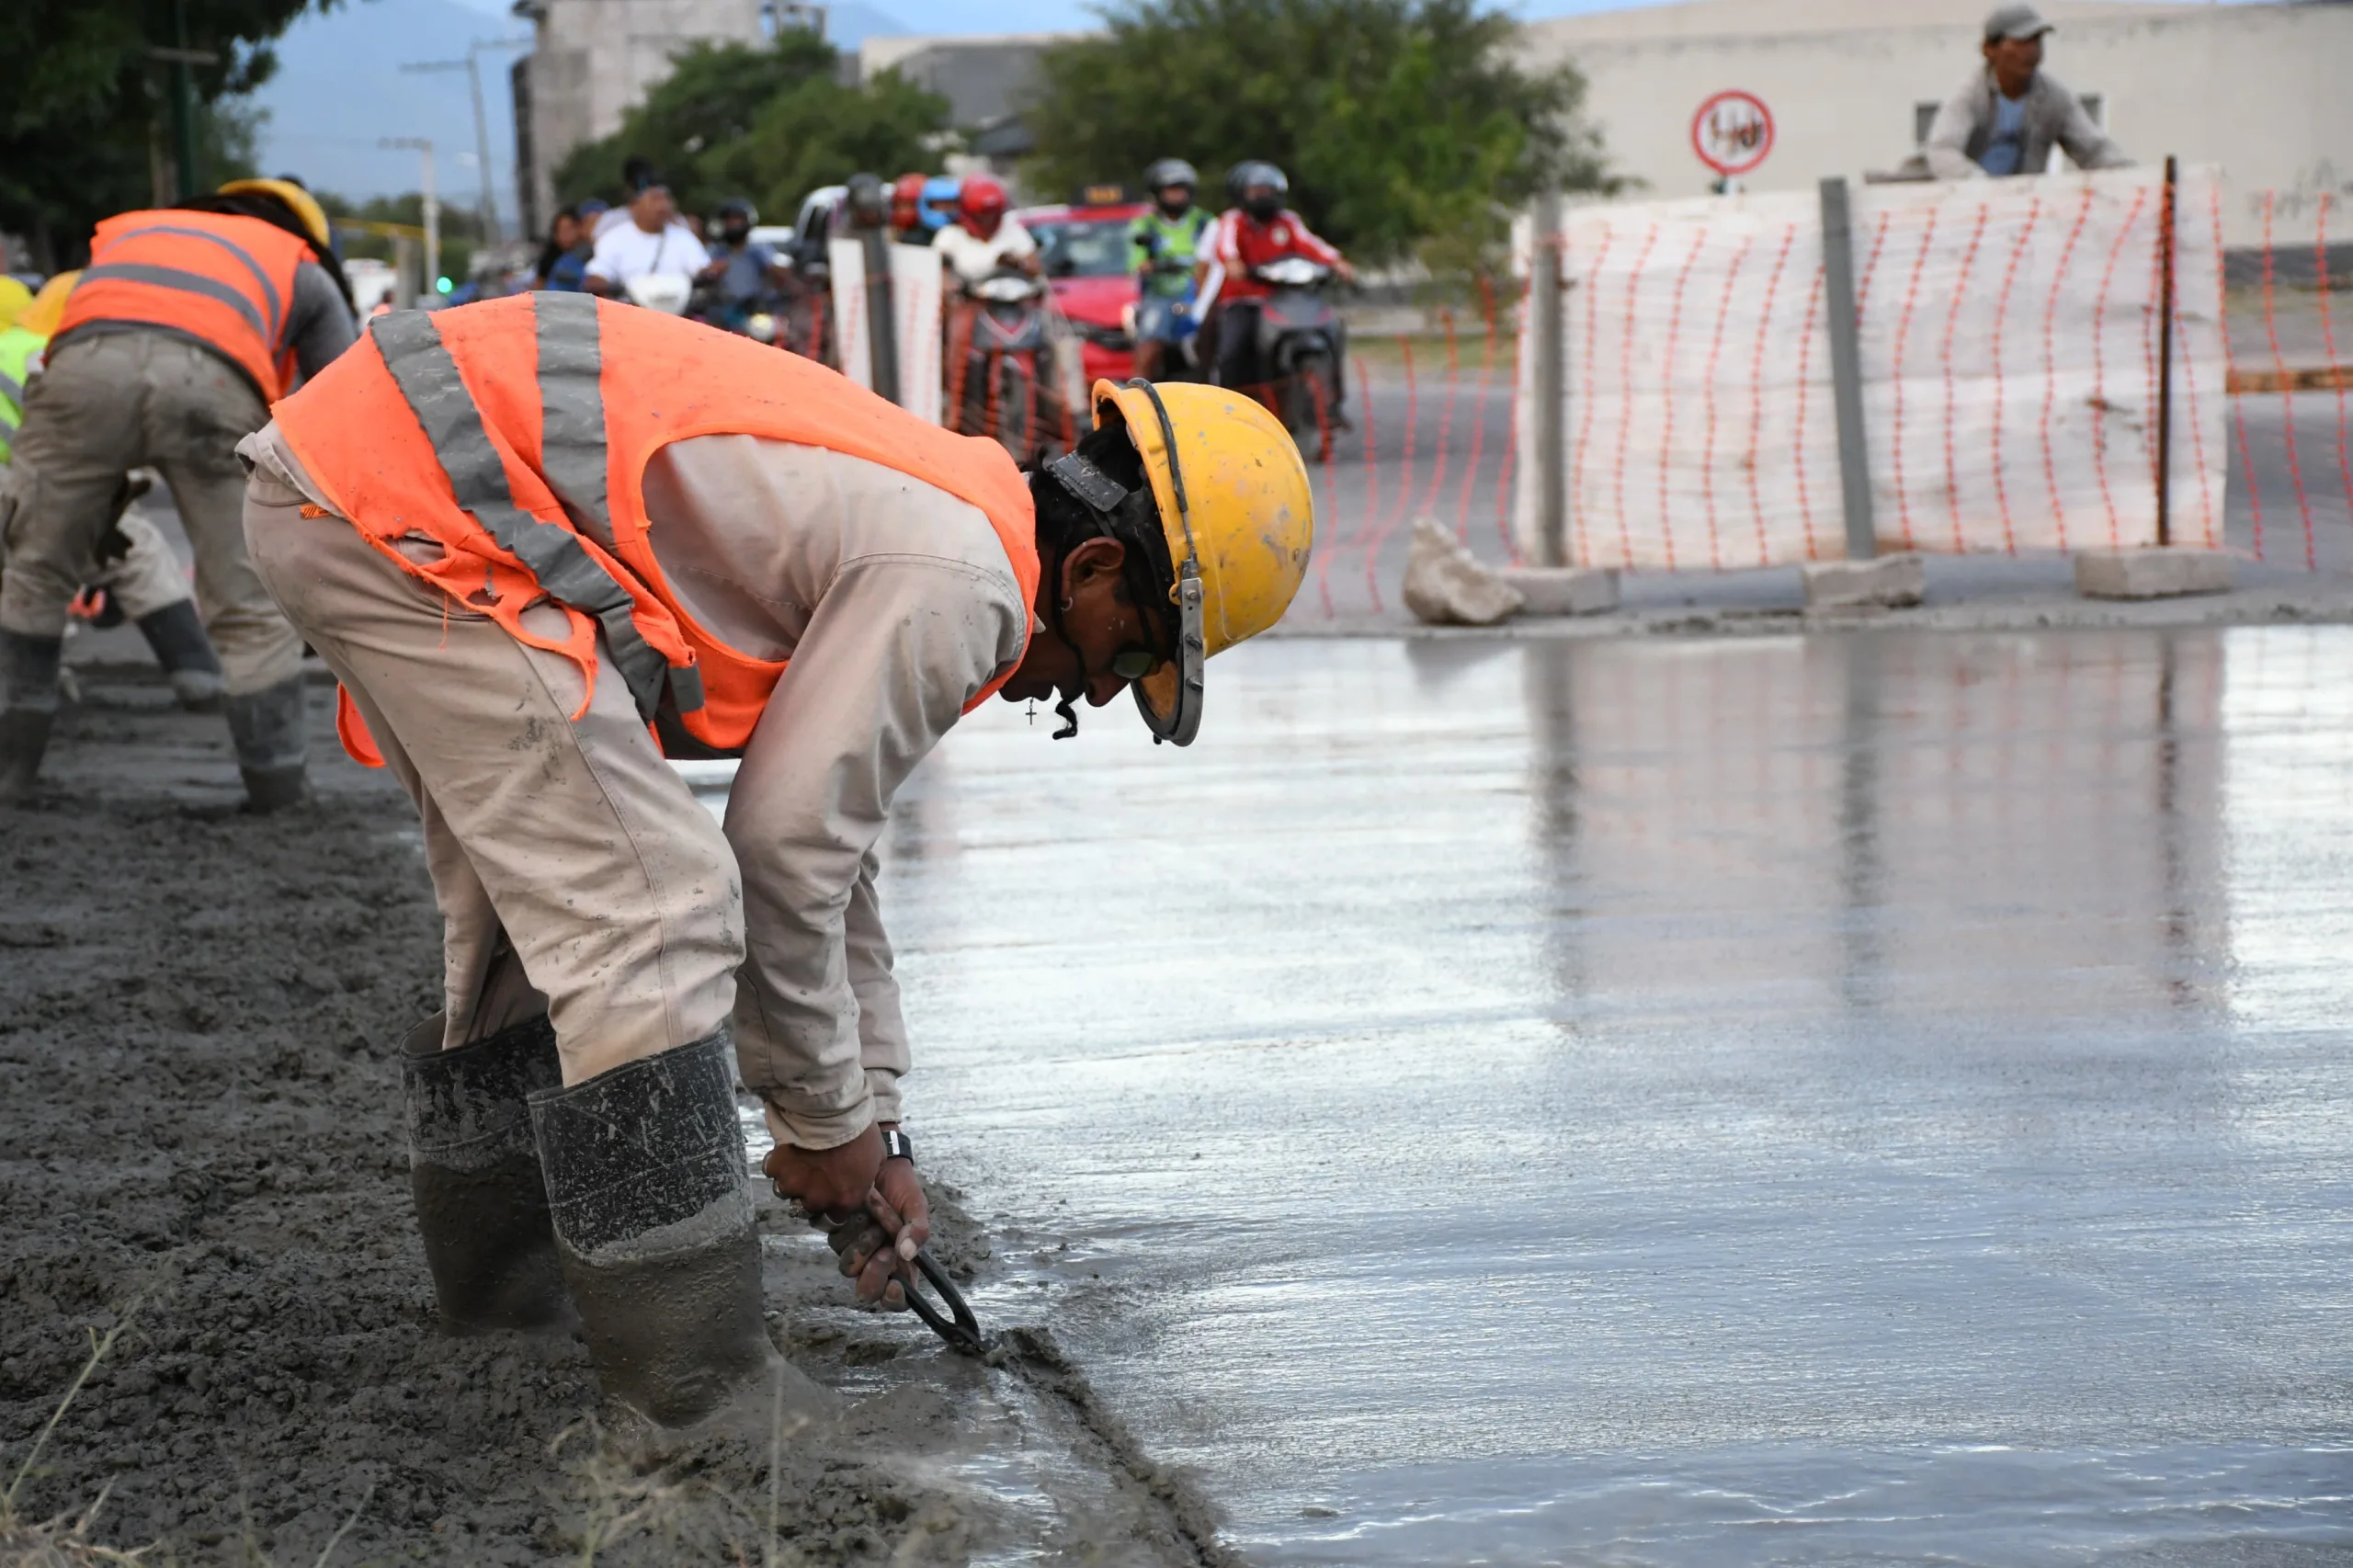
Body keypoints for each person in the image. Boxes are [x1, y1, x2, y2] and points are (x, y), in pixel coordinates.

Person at [234, 292, 1313, 1430]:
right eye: (1128, 651)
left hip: (364, 478)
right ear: (1093, 565)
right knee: (650, 913)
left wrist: (870, 1121)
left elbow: (833, 859)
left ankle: (508, 1320)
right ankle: (698, 1400)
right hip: (409, 498)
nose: (1097, 690)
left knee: (544, 915)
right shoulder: (965, 583)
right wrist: (819, 1124)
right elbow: (781, 852)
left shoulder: (950, 513)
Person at [0, 178, 358, 807]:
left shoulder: (134, 234)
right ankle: (277, 785)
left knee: (34, 574)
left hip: (81, 376)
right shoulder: (297, 265)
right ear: (303, 230)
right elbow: (347, 398)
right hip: (211, 386)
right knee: (245, 598)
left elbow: (94, 330)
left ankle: (10, 774)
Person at [0, 273, 228, 714]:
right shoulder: (57, 359)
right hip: (21, 489)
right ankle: (198, 675)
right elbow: (97, 469)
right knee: (134, 550)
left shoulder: (12, 347)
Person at [1202, 162, 1357, 419]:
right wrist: (1232, 263)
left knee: (1332, 331)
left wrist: (1337, 262)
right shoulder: (1233, 221)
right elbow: (1226, 248)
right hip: (1244, 302)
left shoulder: (1288, 221)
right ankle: (1228, 409)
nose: (1264, 197)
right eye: (1257, 191)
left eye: (1269, 191)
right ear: (1242, 194)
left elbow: (1311, 244)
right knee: (1233, 351)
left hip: (1285, 300)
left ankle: (1333, 402)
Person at [1924, 4, 2130, 179]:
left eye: (2037, 40)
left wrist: (2135, 179)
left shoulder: (2054, 97)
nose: (2032, 50)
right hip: (1957, 205)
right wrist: (1982, 189)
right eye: (2020, 41)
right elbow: (1942, 151)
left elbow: (2095, 151)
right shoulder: (1970, 94)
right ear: (1989, 49)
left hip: (2020, 207)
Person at [1129, 159, 1214, 381]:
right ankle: (1136, 394)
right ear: (1158, 193)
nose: (1177, 197)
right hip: (1161, 296)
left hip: (1200, 296)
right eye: (1171, 191)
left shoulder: (1204, 222)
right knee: (1150, 340)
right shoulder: (1145, 224)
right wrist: (1155, 265)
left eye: (1181, 191)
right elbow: (1137, 263)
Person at [584, 173, 704, 300]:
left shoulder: (684, 237)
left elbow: (701, 267)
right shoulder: (613, 239)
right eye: (655, 199)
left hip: (680, 314)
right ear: (634, 206)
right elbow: (599, 274)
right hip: (630, 313)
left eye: (666, 199)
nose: (663, 206)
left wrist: (712, 270)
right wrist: (602, 283)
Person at [697, 198, 790, 332]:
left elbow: (779, 273)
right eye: (729, 220)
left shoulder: (759, 250)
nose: (733, 224)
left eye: (737, 219)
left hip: (756, 311)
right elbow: (703, 274)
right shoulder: (715, 252)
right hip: (723, 312)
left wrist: (775, 269)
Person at [932, 175, 1040, 290]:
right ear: (967, 211)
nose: (987, 220)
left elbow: (1036, 270)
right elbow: (935, 270)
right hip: (966, 300)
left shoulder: (1012, 230)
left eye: (992, 215)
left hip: (1012, 302)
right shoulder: (950, 235)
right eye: (981, 215)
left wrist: (1018, 263)